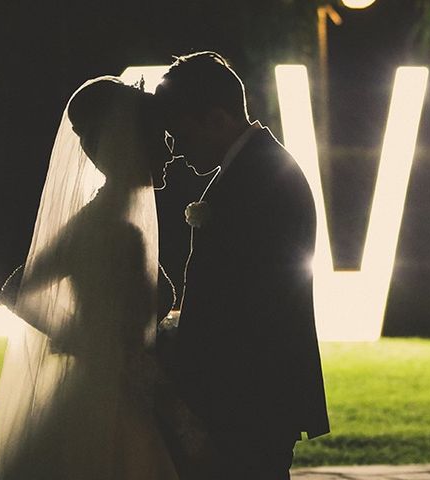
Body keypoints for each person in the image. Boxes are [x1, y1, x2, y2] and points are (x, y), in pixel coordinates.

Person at [0, 77, 179, 480]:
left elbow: (15, 290)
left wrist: (82, 336)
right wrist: (85, 336)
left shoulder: (106, 217)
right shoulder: (111, 226)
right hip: (108, 397)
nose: (169, 150)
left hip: (109, 387)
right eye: (160, 138)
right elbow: (16, 290)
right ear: (131, 146)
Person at [154, 51, 330, 480]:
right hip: (251, 394)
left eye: (181, 133)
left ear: (216, 119)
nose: (176, 151)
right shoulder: (253, 168)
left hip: (248, 398)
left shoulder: (259, 179)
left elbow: (247, 304)